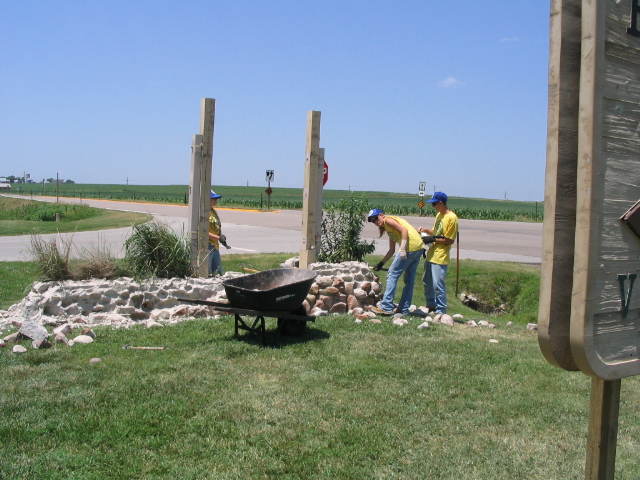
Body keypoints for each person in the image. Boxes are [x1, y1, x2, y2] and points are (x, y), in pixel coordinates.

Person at [367, 208, 425, 316]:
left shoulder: (388, 220)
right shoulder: (389, 229)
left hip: (410, 247)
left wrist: (403, 249)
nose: (375, 221)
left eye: (376, 218)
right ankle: (403, 309)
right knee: (410, 279)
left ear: (381, 215)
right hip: (418, 247)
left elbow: (404, 230)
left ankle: (386, 306)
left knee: (392, 274)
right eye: (372, 220)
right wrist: (381, 263)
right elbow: (391, 250)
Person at [418, 192, 458, 315]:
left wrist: (432, 239)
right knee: (427, 280)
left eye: (434, 204)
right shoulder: (439, 215)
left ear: (441, 203)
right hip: (431, 253)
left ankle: (441, 310)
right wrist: (426, 231)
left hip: (440, 256)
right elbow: (436, 232)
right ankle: (431, 305)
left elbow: (449, 240)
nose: (433, 206)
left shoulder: (452, 218)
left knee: (438, 284)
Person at [208, 190, 224, 276]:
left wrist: (221, 236)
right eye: (213, 198)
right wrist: (218, 238)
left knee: (219, 272)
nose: (216, 200)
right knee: (208, 272)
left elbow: (217, 225)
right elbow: (203, 232)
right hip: (207, 246)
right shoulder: (204, 212)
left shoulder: (213, 211)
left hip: (215, 245)